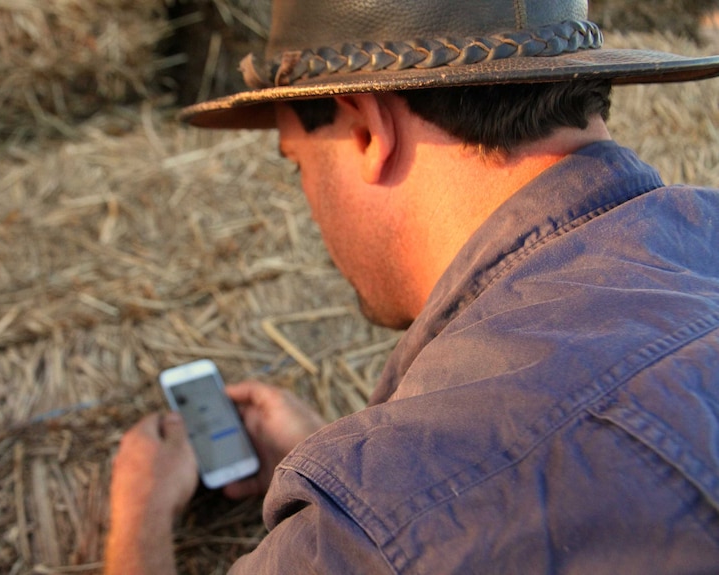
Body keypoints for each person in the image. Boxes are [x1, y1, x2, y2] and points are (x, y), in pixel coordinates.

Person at [105, 0, 719, 572]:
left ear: (368, 130)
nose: (308, 199)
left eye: (298, 161)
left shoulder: (374, 535)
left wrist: (140, 517)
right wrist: (349, 460)